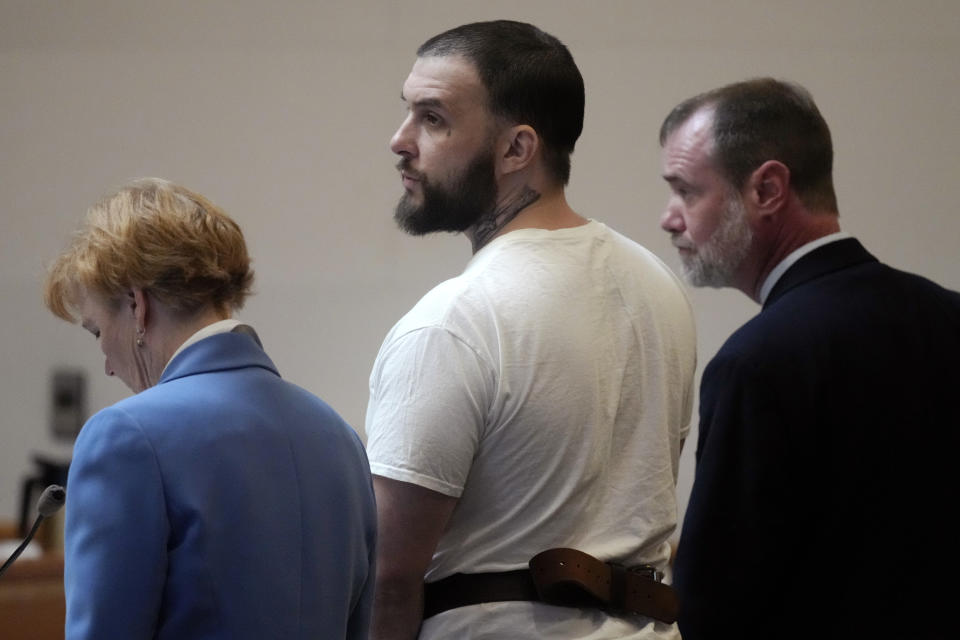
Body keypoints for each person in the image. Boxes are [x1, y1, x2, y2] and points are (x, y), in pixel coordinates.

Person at [366, 20, 697, 640]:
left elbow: (389, 576)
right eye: (407, 112)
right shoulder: (655, 284)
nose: (400, 140)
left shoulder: (452, 323)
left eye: (432, 119)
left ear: (518, 149)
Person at [659, 78, 960, 638]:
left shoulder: (756, 364)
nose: (669, 218)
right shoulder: (950, 316)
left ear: (768, 189)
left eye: (686, 191)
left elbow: (715, 601)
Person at [43, 178, 377, 639]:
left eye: (97, 332)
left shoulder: (124, 437)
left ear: (137, 307)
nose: (106, 366)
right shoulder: (340, 438)